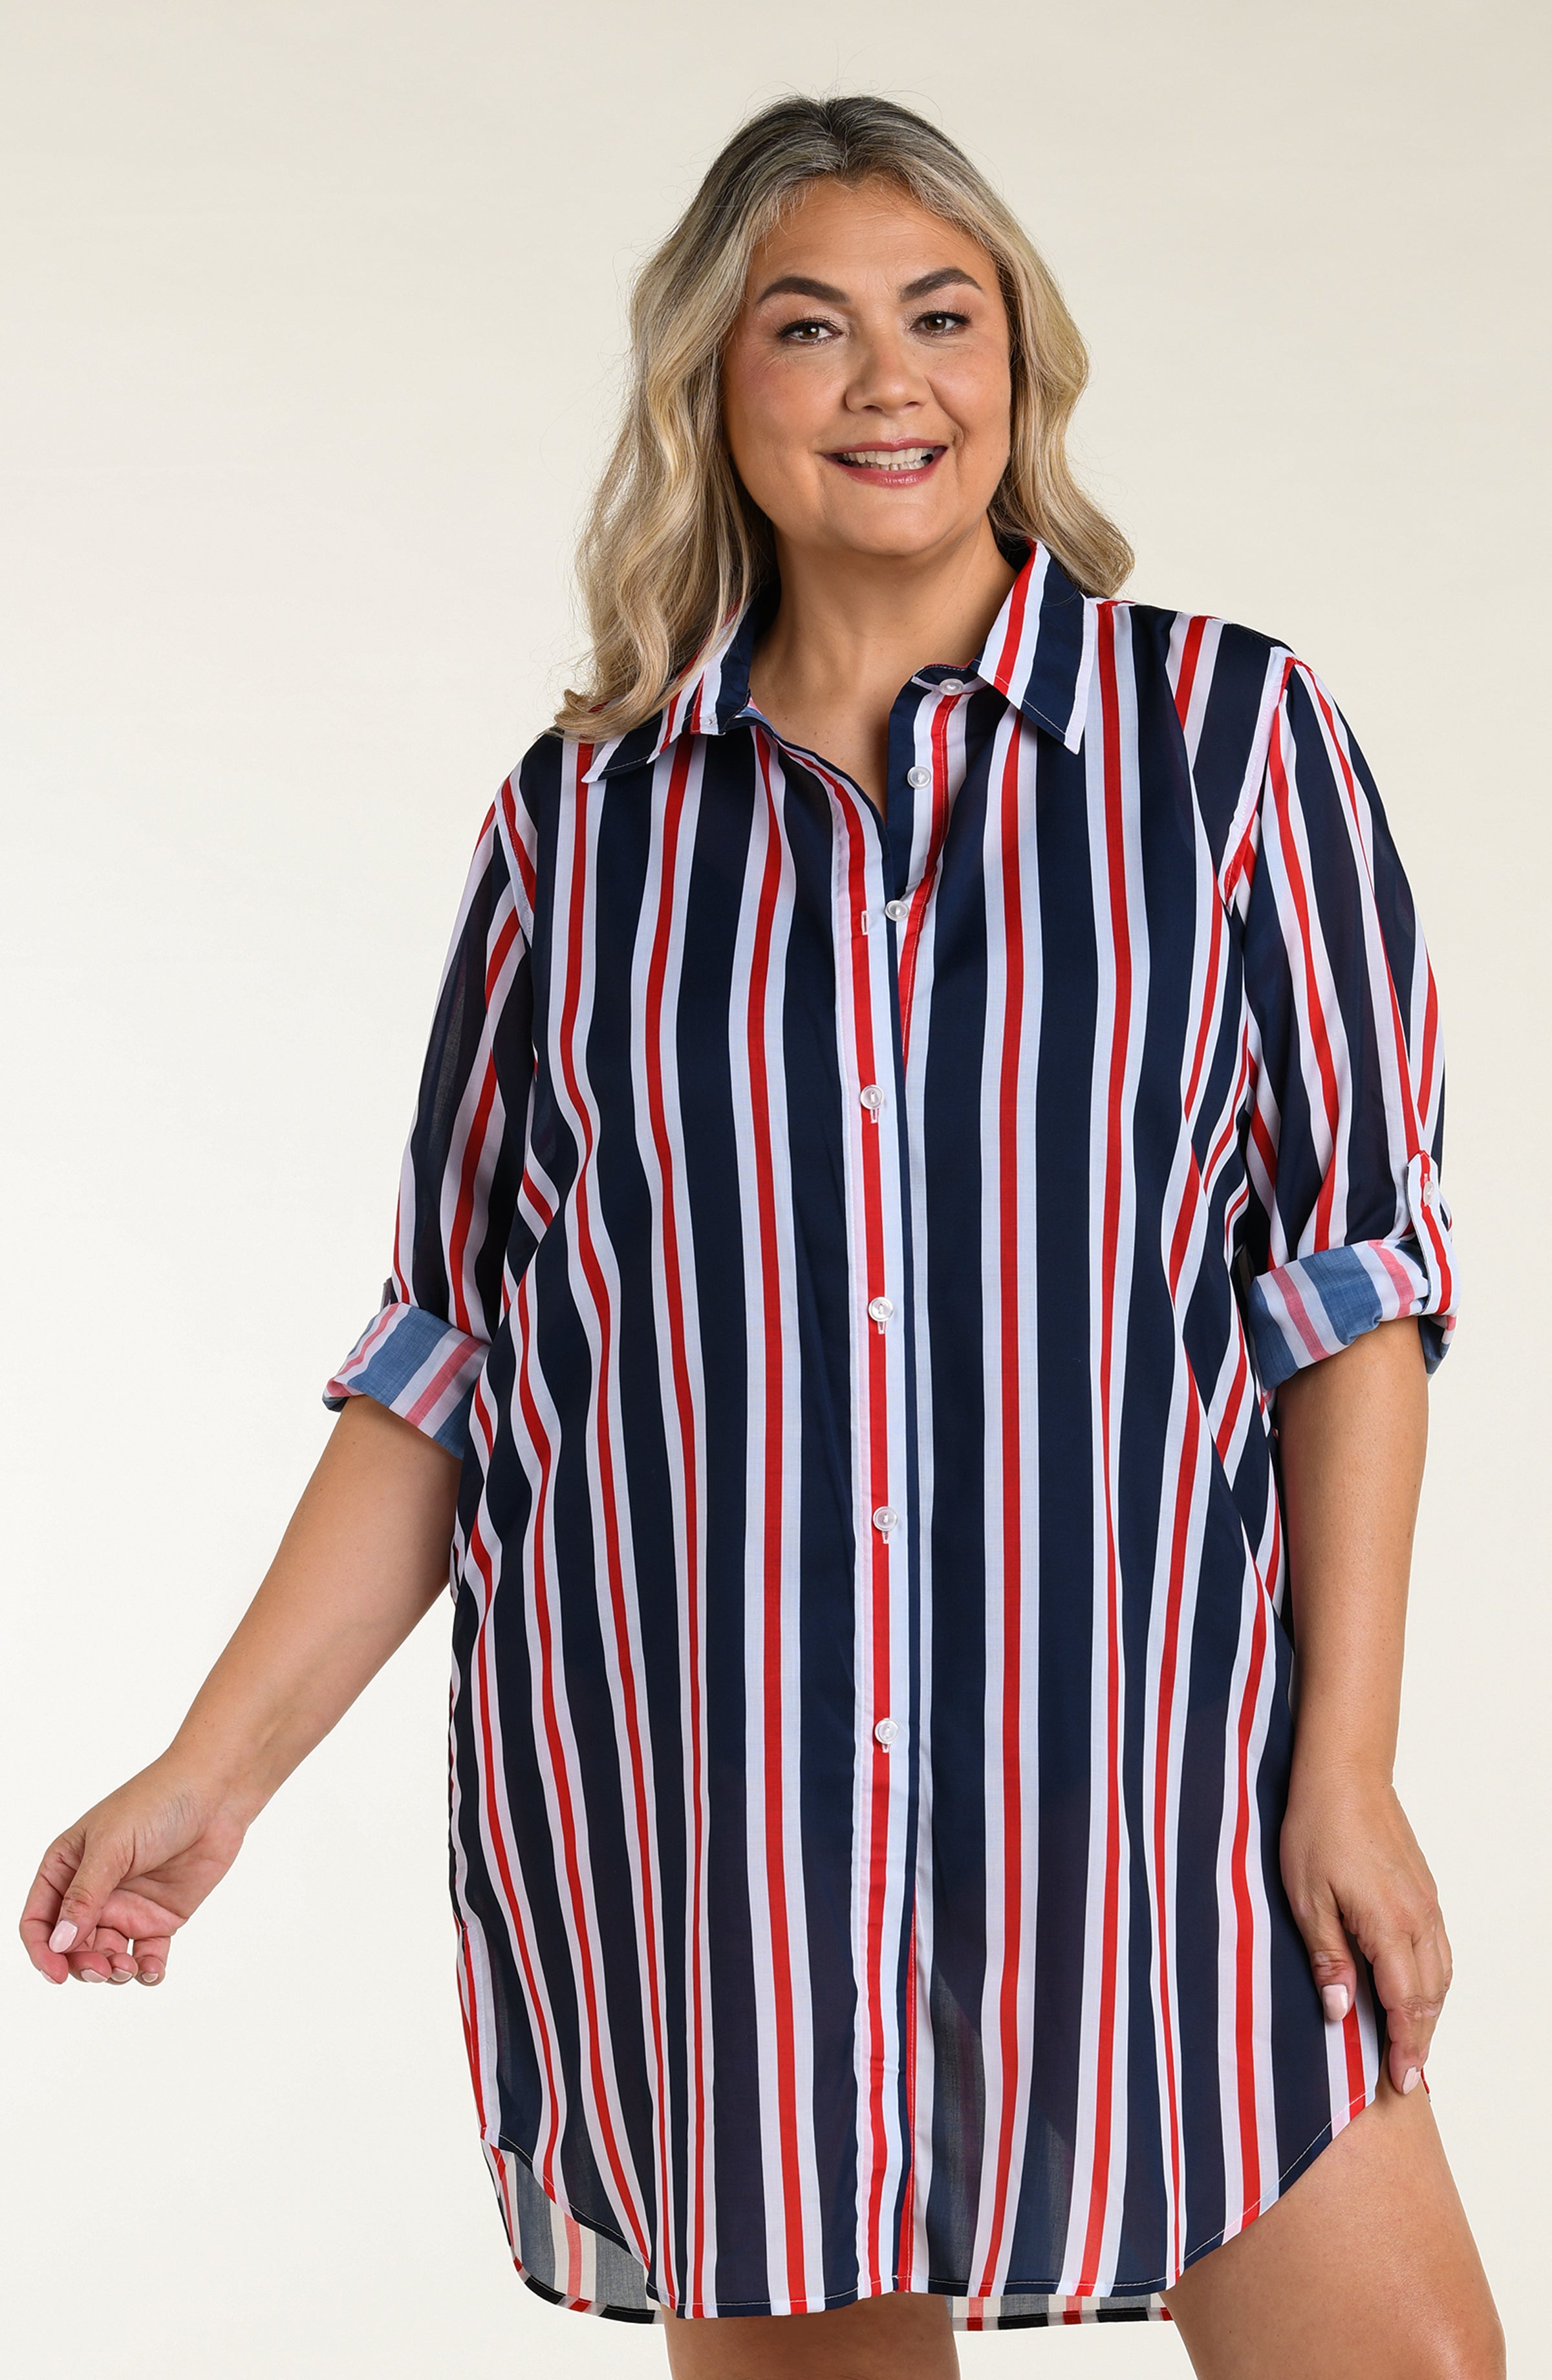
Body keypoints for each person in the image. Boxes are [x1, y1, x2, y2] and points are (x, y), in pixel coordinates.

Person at [20, 93, 1503, 2380]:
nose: (889, 380)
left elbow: (1350, 1296)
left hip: (1148, 1775)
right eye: (809, 328)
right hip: (723, 1809)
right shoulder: (585, 829)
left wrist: (1349, 1764)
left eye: (943, 317)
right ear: (714, 388)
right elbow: (451, 1361)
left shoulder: (1225, 742)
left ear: (1020, 361)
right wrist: (205, 1779)